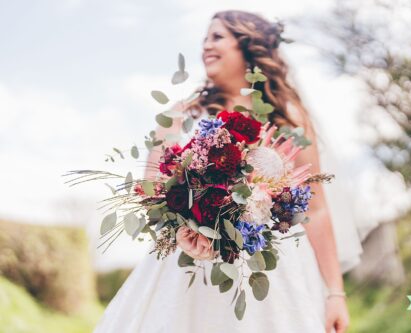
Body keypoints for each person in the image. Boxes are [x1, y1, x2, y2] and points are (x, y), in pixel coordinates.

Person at [94, 10, 350, 333]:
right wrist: (186, 227)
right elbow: (151, 192)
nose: (205, 46)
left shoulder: (288, 119)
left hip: (271, 275)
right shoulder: (180, 116)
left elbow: (317, 209)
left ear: (248, 46)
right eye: (204, 38)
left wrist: (335, 293)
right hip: (188, 268)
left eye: (217, 37)